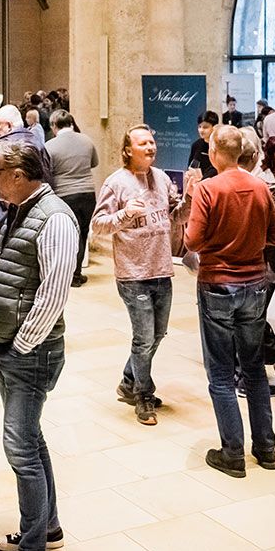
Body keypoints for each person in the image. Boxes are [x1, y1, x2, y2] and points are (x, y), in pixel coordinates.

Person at [0, 140, 79, 551]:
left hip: (31, 351)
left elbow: (53, 292)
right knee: (31, 439)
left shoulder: (54, 218)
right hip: (13, 346)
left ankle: (33, 543)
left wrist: (20, 343)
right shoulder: (21, 209)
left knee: (19, 447)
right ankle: (48, 528)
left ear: (20, 176)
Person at [184, 124, 275, 477]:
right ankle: (267, 448)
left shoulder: (208, 189)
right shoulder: (259, 186)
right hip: (254, 284)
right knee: (254, 369)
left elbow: (193, 241)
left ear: (213, 152)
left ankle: (233, 453)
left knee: (222, 374)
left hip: (216, 285)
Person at [92, 126, 181, 426]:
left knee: (158, 334)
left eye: (152, 142)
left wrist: (185, 202)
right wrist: (125, 214)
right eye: (143, 143)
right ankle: (143, 394)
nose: (150, 147)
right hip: (133, 273)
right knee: (143, 338)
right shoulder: (115, 183)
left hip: (162, 269)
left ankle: (129, 379)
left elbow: (171, 217)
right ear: (128, 149)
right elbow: (99, 225)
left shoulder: (163, 178)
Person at [45, 110, 98, 287]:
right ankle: (77, 274)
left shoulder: (50, 146)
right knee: (82, 233)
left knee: (67, 236)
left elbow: (47, 171)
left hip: (65, 194)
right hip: (88, 193)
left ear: (54, 125)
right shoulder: (87, 140)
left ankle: (65, 274)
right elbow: (94, 163)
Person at [189, 110, 221, 180]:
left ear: (214, 127)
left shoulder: (219, 146)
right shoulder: (196, 145)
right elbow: (190, 166)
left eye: (205, 127)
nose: (201, 130)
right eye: (199, 127)